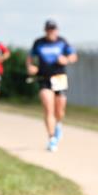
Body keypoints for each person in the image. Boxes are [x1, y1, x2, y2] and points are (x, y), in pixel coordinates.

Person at [27, 20, 77, 152]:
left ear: (57, 30)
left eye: (53, 29)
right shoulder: (39, 42)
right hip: (44, 78)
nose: (51, 32)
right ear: (45, 30)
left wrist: (66, 59)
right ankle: (52, 138)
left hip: (59, 77)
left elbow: (73, 56)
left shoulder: (62, 41)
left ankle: (58, 124)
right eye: (49, 29)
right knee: (48, 107)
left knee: (59, 110)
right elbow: (30, 57)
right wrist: (30, 66)